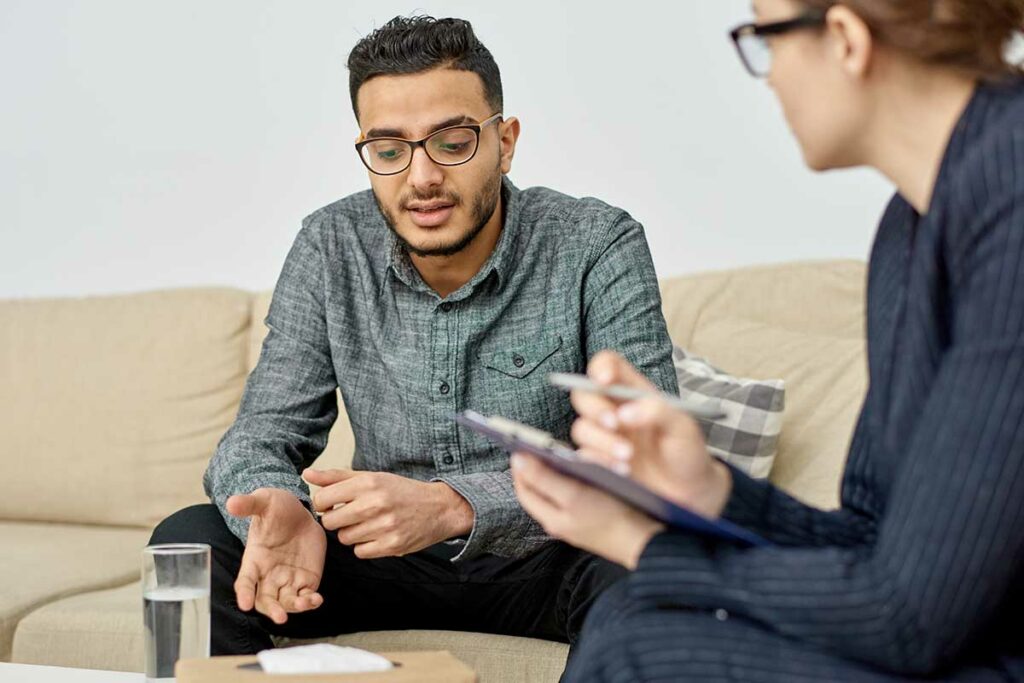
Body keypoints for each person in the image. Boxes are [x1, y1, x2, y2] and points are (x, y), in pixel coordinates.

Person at [511, 0, 1024, 680]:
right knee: (629, 611)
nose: (769, 77)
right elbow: (872, 540)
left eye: (765, 39)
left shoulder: (1011, 197)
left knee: (643, 648)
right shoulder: (909, 229)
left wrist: (641, 540)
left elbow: (909, 615)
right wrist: (711, 491)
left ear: (845, 39)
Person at [148, 15, 678, 658]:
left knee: (656, 565)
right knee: (190, 544)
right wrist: (281, 507)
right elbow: (259, 437)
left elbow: (644, 465)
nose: (421, 177)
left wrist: (455, 504)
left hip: (551, 557)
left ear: (504, 142)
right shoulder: (330, 245)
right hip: (377, 560)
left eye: (452, 142)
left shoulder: (597, 244)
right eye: (391, 149)